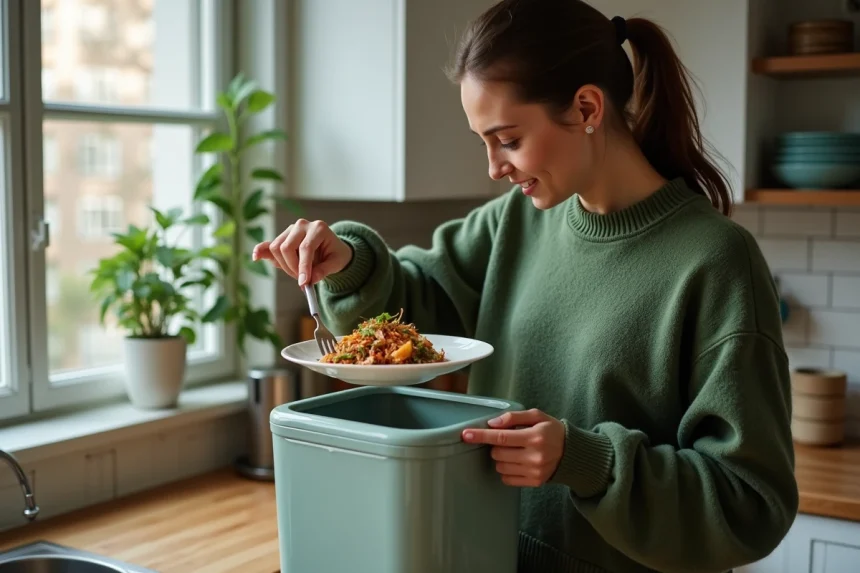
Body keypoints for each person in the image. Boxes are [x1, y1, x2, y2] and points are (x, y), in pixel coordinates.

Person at [253, 1, 799, 571]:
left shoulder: (715, 262)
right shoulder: (516, 222)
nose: (494, 167)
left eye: (508, 139)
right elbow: (413, 308)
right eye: (483, 141)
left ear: (586, 107)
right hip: (486, 554)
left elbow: (750, 503)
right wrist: (348, 262)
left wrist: (586, 460)